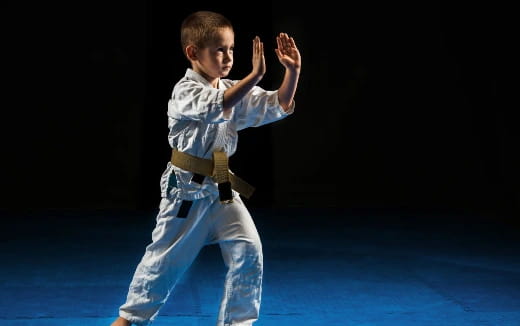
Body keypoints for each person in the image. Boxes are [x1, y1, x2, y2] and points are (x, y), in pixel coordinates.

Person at [110, 10, 301, 326]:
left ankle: (237, 322)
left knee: (249, 250)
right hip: (184, 190)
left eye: (231, 49)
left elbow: (276, 104)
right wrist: (253, 76)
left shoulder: (230, 87)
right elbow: (219, 106)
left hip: (222, 187)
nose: (228, 57)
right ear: (193, 53)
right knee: (165, 261)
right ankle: (129, 319)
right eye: (219, 50)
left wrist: (292, 72)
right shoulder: (184, 91)